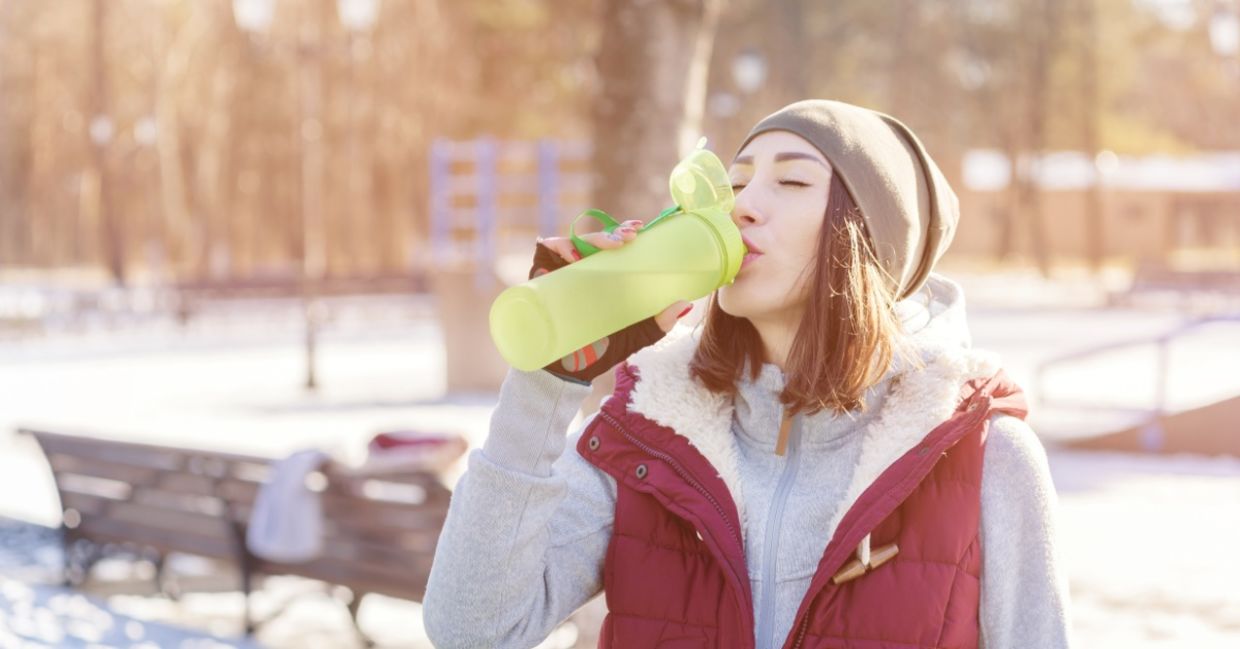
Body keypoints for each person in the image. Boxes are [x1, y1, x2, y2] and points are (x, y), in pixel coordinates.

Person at [422, 99, 1072, 649]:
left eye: (790, 183)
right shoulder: (643, 438)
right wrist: (547, 378)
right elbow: (471, 629)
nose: (742, 206)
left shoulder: (982, 457)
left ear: (868, 237)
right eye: (732, 184)